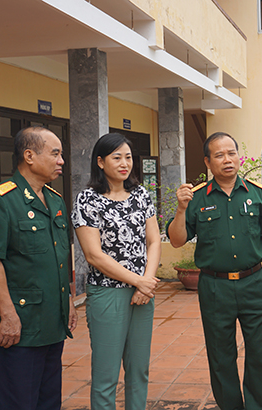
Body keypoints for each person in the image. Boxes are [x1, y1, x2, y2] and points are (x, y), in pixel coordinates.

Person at [167, 131, 262, 410]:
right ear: (208, 162)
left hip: (254, 283)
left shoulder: (257, 194)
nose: (227, 159)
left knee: (259, 354)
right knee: (221, 355)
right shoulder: (195, 198)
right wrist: (181, 209)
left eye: (231, 153)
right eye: (219, 155)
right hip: (214, 286)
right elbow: (176, 240)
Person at [0, 126, 78, 410]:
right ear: (29, 155)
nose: (61, 161)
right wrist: (8, 315)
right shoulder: (0, 199)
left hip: (51, 322)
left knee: (48, 401)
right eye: (55, 154)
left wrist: (68, 300)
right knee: (19, 402)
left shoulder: (54, 200)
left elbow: (60, 257)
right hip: (20, 324)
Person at [71, 133, 161, 410]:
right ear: (100, 161)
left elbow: (154, 240)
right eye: (117, 157)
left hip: (142, 294)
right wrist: (140, 282)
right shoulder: (88, 199)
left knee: (139, 371)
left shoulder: (141, 194)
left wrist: (145, 283)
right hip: (107, 294)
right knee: (106, 375)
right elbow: (93, 255)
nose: (125, 164)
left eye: (129, 157)